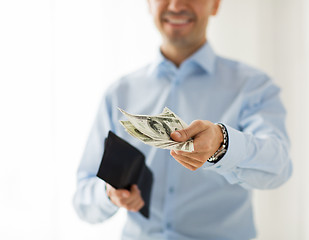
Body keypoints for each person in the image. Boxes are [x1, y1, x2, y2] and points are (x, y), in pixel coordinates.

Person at [73, 0, 293, 239]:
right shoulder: (119, 93)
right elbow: (84, 199)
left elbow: (278, 167)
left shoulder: (253, 86)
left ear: (215, 4)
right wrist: (109, 193)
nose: (176, 5)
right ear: (148, 3)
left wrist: (223, 144)